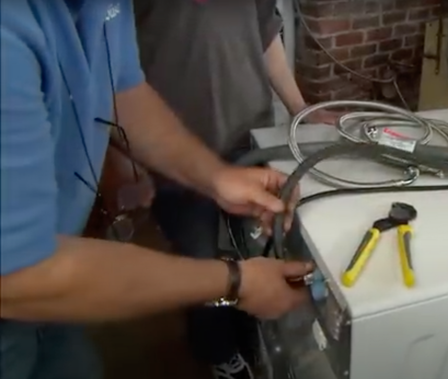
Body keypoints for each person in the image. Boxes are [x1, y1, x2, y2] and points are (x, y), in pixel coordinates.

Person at [0, 2, 312, 379]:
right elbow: (20, 276)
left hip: (48, 297)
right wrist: (235, 282)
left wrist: (215, 176)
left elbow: (123, 88)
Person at [131, 1, 338, 378]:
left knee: (256, 245)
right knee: (200, 260)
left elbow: (263, 34)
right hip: (175, 149)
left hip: (250, 136)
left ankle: (252, 338)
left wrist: (299, 107)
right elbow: (111, 69)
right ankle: (219, 353)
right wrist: (122, 159)